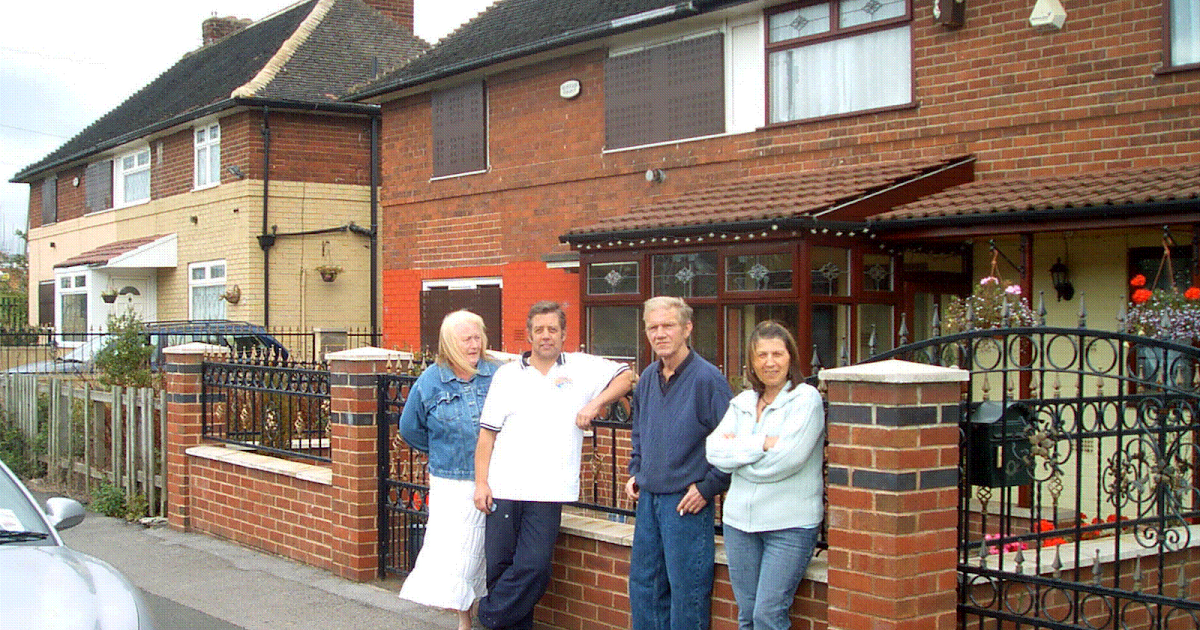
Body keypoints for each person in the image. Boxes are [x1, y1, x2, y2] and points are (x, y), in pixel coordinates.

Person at [473, 301, 634, 630]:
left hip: (549, 490)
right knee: (501, 568)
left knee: (533, 567)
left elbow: (627, 376)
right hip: (504, 486)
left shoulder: (581, 367)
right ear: (530, 334)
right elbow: (486, 436)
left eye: (553, 329)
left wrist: (596, 402)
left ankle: (486, 617)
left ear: (563, 334)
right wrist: (481, 484)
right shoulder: (507, 375)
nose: (546, 335)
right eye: (539, 330)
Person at [706, 321, 824, 630]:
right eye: (761, 355)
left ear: (791, 358)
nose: (769, 362)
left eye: (777, 354)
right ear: (752, 362)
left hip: (789, 526)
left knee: (767, 615)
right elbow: (714, 452)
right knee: (747, 615)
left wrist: (740, 458)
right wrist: (761, 444)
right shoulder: (742, 402)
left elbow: (787, 460)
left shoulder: (806, 400)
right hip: (739, 525)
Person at [626, 296, 733, 630]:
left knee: (687, 595)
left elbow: (733, 444)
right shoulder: (647, 377)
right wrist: (636, 471)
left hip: (686, 506)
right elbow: (639, 433)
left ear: (687, 328)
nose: (660, 334)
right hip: (649, 504)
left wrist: (708, 487)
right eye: (652, 327)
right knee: (644, 588)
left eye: (668, 325)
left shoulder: (708, 380)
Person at [398, 310, 500, 630]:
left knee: (488, 549)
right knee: (459, 553)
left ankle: (487, 609)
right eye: (466, 339)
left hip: (496, 478)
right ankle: (463, 616)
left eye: (477, 336)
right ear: (450, 343)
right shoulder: (431, 380)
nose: (474, 344)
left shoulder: (497, 375)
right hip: (451, 482)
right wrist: (443, 450)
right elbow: (410, 428)